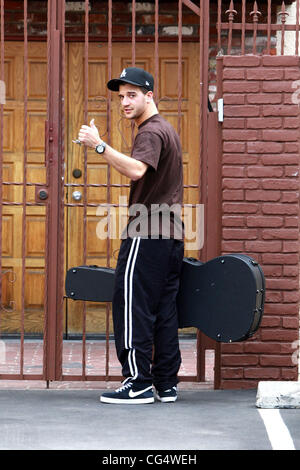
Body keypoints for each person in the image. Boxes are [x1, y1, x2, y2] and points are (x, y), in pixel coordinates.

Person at [78, 67, 184, 404]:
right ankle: (166, 384)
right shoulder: (166, 129)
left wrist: (98, 147)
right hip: (170, 234)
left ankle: (137, 382)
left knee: (131, 304)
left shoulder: (150, 132)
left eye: (132, 95)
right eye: (121, 95)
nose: (124, 101)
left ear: (149, 95)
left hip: (147, 231)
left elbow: (138, 170)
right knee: (163, 308)